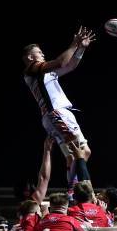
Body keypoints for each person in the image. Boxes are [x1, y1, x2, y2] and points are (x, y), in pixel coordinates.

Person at [22, 27, 95, 190]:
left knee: (75, 156)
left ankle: (72, 191)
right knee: (82, 152)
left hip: (55, 115)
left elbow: (69, 66)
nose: (43, 54)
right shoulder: (31, 69)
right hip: (56, 113)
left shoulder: (45, 73)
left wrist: (81, 48)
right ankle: (74, 191)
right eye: (39, 52)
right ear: (30, 57)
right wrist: (74, 43)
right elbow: (61, 61)